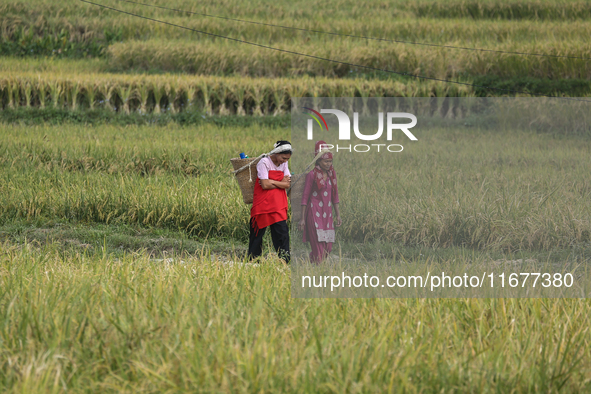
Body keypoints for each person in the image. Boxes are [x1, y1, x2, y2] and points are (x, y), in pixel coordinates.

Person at [247, 140, 292, 263]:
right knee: (257, 233)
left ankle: (284, 260)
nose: (285, 161)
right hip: (263, 203)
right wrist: (280, 183)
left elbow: (287, 184)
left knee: (282, 233)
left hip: (278, 203)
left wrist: (271, 181)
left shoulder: (283, 164)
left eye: (287, 159)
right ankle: (253, 260)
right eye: (283, 158)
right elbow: (265, 185)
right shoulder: (264, 162)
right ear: (276, 153)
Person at [298, 140, 342, 263]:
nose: (328, 164)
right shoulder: (311, 175)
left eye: (330, 161)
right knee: (318, 248)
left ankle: (311, 263)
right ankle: (317, 272)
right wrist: (302, 219)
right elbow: (305, 197)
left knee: (328, 248)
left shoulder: (332, 175)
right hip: (314, 213)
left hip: (327, 215)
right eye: (326, 161)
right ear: (318, 160)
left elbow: (335, 195)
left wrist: (338, 215)